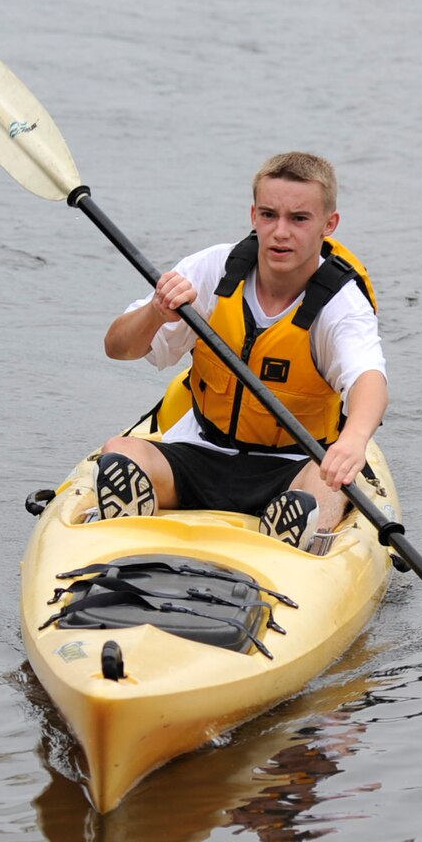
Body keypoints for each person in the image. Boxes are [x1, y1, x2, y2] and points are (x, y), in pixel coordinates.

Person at [95, 152, 388, 551]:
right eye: (269, 215)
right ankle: (123, 549)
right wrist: (154, 312)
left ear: (328, 224)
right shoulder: (213, 270)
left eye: (299, 219)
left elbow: (368, 380)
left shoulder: (341, 305)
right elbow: (118, 348)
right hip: (199, 451)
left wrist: (353, 440)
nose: (280, 231)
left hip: (292, 467)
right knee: (120, 454)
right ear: (253, 216)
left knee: (325, 484)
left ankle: (291, 540)